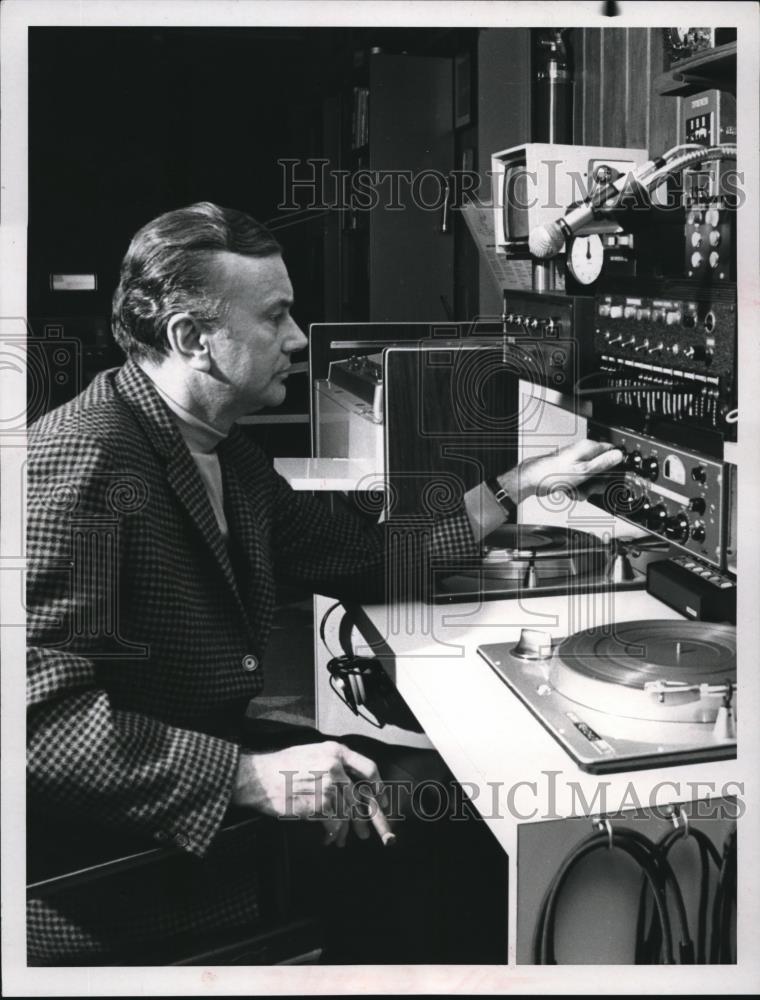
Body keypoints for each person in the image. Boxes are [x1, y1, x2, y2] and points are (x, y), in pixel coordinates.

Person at [26, 202, 623, 965]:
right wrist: (245, 778)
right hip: (113, 868)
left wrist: (514, 485)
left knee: (452, 789)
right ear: (190, 338)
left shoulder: (218, 451)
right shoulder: (79, 464)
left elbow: (354, 549)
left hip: (190, 784)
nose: (298, 338)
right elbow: (31, 727)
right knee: (461, 839)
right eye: (275, 316)